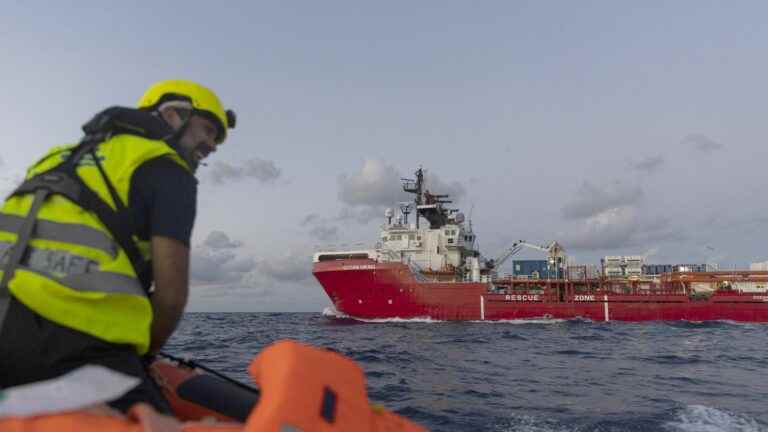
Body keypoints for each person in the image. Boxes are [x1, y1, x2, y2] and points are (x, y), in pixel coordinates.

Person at [0, 79, 236, 413]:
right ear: (173, 114)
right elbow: (171, 297)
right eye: (208, 129)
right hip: (78, 344)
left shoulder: (55, 158)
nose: (212, 145)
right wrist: (144, 359)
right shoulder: (168, 171)